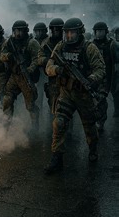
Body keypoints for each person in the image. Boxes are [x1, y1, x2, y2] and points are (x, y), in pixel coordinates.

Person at [44, 17, 106, 175]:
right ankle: (57, 157)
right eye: (67, 33)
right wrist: (58, 70)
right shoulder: (60, 46)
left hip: (83, 95)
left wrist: (91, 80)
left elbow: (100, 69)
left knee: (89, 127)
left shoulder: (89, 48)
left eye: (72, 33)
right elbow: (48, 66)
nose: (69, 36)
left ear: (80, 32)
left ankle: (93, 150)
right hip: (66, 93)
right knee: (58, 122)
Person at [0, 20, 40, 129]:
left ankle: (35, 127)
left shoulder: (31, 43)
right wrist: (9, 56)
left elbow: (37, 59)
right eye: (16, 31)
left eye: (20, 31)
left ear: (25, 31)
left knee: (30, 105)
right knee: (7, 99)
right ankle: (6, 125)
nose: (18, 34)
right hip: (14, 75)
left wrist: (29, 70)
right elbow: (2, 55)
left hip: (26, 77)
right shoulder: (9, 42)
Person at [91, 21, 116, 131]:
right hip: (94, 77)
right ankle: (95, 121)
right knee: (93, 100)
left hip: (108, 77)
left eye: (101, 31)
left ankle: (101, 122)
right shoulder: (91, 45)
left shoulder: (111, 44)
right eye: (97, 31)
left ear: (105, 32)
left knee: (101, 100)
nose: (98, 34)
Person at [38, 18, 64, 114]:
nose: (54, 32)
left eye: (57, 29)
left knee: (66, 106)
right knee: (53, 104)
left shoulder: (67, 42)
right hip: (52, 77)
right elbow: (39, 58)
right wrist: (48, 61)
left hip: (67, 77)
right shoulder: (46, 43)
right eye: (53, 29)